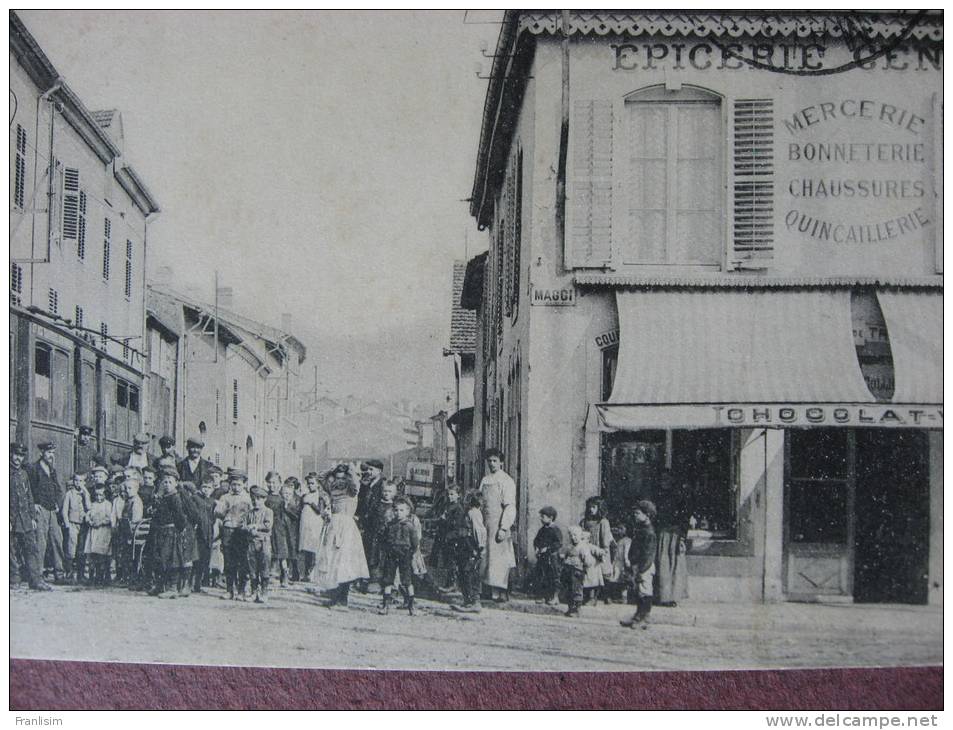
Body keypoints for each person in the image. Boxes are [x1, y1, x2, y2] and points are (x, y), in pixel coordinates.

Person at [313, 463, 369, 609]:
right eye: (337, 478)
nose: (339, 481)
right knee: (332, 562)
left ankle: (343, 600)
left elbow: (355, 482)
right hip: (333, 525)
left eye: (343, 478)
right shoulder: (332, 488)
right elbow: (320, 477)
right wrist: (334, 468)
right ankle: (336, 597)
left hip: (346, 528)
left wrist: (348, 470)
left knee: (345, 564)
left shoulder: (351, 490)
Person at [10, 443, 51, 591]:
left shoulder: (23, 474)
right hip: (11, 519)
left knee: (31, 549)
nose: (17, 458)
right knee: (11, 551)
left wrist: (33, 518)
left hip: (25, 519)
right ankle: (14, 579)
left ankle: (36, 580)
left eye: (20, 456)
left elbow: (29, 497)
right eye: (15, 454)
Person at [479, 448, 517, 602]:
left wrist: (503, 527)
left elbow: (509, 506)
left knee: (499, 559)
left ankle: (500, 591)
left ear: (501, 462)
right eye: (489, 461)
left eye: (495, 461)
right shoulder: (485, 480)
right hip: (485, 523)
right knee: (485, 557)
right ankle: (487, 590)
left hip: (498, 524)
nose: (492, 464)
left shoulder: (506, 480)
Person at [27, 441, 66, 583]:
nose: (51, 456)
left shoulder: (52, 470)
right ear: (41, 453)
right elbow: (29, 489)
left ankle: (59, 574)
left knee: (57, 540)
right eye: (49, 453)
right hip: (41, 509)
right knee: (40, 543)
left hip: (52, 510)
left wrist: (58, 504)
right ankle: (38, 575)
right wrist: (34, 504)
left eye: (53, 453)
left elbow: (57, 488)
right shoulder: (33, 469)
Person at [150, 468, 189, 599]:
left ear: (176, 483)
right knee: (160, 559)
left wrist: (179, 529)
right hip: (161, 531)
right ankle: (161, 585)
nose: (166, 484)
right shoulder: (162, 497)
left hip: (171, 532)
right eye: (164, 482)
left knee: (172, 560)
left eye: (170, 482)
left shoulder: (175, 498)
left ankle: (173, 587)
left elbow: (180, 517)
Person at [214, 468, 252, 600]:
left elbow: (252, 515)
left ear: (244, 484)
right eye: (233, 484)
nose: (236, 487)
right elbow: (218, 513)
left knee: (242, 561)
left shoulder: (248, 499)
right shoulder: (225, 497)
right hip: (228, 531)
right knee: (229, 561)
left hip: (241, 532)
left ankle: (241, 591)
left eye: (239, 484)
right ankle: (229, 589)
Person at [378, 496, 419, 616]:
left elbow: (415, 543)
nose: (398, 513)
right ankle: (385, 605)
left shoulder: (410, 526)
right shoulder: (390, 525)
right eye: (396, 510)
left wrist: (410, 554)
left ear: (408, 511)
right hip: (391, 554)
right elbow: (384, 539)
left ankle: (411, 605)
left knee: (407, 580)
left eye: (402, 510)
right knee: (388, 579)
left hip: (405, 555)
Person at [621, 500, 658, 629]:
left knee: (645, 591)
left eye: (637, 513)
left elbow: (649, 555)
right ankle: (638, 615)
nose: (635, 516)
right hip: (637, 565)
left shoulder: (649, 533)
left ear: (647, 515)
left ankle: (645, 617)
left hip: (645, 567)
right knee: (638, 591)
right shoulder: (641, 529)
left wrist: (642, 569)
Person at [655, 471, 690, 607]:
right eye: (662, 479)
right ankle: (663, 596)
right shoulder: (658, 496)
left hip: (675, 534)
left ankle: (673, 596)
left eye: (667, 479)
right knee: (662, 564)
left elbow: (684, 517)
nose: (665, 482)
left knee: (675, 565)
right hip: (662, 534)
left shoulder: (679, 497)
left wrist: (682, 537)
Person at [448, 491, 487, 613]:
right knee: (464, 573)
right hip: (465, 546)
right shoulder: (469, 513)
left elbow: (479, 531)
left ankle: (474, 601)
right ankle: (468, 600)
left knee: (469, 573)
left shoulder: (473, 513)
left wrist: (479, 547)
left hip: (471, 547)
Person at [559, 526, 604, 617]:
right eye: (571, 535)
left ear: (580, 536)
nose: (573, 537)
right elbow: (565, 556)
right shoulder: (569, 547)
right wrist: (563, 559)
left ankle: (576, 609)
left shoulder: (583, 547)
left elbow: (588, 560)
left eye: (575, 535)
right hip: (568, 571)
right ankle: (570, 608)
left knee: (577, 590)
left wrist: (584, 566)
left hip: (577, 571)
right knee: (569, 590)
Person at [580, 496, 614, 605]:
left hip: (601, 550)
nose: (591, 509)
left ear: (600, 508)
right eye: (589, 507)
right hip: (589, 550)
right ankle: (592, 597)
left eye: (594, 507)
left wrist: (604, 550)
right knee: (591, 574)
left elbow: (605, 538)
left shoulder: (603, 522)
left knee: (605, 573)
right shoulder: (584, 521)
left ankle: (607, 595)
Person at [242, 486, 274, 603]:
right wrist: (248, 528)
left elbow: (268, 525)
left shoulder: (268, 511)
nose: (256, 501)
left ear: (264, 499)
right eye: (253, 499)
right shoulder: (249, 513)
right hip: (251, 543)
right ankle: (254, 591)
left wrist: (256, 526)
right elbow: (243, 525)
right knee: (252, 568)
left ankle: (264, 592)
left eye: (259, 499)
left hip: (264, 543)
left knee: (264, 567)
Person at [364, 480, 398, 588]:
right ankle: (373, 580)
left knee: (386, 558)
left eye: (389, 491)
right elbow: (370, 518)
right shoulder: (377, 505)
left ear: (394, 493)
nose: (386, 493)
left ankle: (386, 582)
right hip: (375, 536)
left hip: (388, 537)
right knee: (374, 557)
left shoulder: (395, 507)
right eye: (385, 491)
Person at [298, 472, 329, 581]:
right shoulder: (305, 495)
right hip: (305, 523)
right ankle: (306, 572)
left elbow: (319, 511)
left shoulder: (319, 496)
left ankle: (311, 573)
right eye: (308, 483)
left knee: (313, 547)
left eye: (312, 483)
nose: (310, 485)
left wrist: (311, 503)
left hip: (314, 523)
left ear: (317, 484)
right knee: (305, 548)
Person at [263, 471, 292, 588]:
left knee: (281, 552)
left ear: (279, 483)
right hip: (267, 527)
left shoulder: (281, 498)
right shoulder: (265, 497)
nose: (272, 485)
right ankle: (266, 574)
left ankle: (284, 575)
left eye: (274, 483)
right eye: (269, 483)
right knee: (267, 551)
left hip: (279, 528)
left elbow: (285, 514)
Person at [83, 483, 115, 586]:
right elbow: (88, 515)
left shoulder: (108, 504)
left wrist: (101, 522)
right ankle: (92, 577)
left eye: (101, 495)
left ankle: (103, 577)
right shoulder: (93, 504)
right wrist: (89, 521)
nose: (99, 497)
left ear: (105, 494)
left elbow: (110, 518)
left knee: (102, 555)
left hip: (103, 532)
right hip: (93, 532)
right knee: (93, 555)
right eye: (97, 495)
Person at [62, 472, 91, 583]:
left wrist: (86, 493)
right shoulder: (70, 494)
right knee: (71, 549)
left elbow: (88, 507)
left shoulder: (85, 494)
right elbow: (65, 510)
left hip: (83, 525)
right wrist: (67, 524)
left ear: (84, 482)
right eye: (76, 480)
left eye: (80, 481)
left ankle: (81, 574)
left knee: (81, 549)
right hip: (73, 524)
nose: (78, 483)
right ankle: (69, 574)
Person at [117, 471, 144, 588]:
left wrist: (129, 527)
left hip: (133, 533)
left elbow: (135, 519)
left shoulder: (136, 502)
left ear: (136, 489)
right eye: (126, 488)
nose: (128, 490)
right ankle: (125, 577)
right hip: (126, 532)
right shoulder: (128, 501)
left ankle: (132, 578)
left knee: (131, 556)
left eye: (130, 488)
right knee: (124, 555)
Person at [531, 506, 562, 605]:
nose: (541, 518)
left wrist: (548, 549)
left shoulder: (555, 529)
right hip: (542, 558)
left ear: (551, 518)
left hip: (552, 558)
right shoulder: (542, 529)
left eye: (543, 516)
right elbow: (536, 540)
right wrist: (536, 548)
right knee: (542, 576)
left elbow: (558, 543)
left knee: (553, 577)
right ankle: (544, 596)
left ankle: (555, 597)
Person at [282, 477, 303, 581]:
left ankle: (295, 572)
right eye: (287, 485)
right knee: (285, 548)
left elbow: (297, 515)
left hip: (293, 527)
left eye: (291, 486)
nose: (289, 488)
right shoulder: (283, 496)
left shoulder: (298, 499)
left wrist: (287, 509)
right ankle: (285, 572)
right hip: (284, 526)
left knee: (293, 549)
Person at [607, 525, 631, 603]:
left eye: (621, 529)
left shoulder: (627, 540)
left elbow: (626, 552)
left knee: (623, 580)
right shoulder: (619, 541)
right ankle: (617, 597)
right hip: (617, 562)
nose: (619, 531)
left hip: (622, 563)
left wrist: (626, 561)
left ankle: (624, 597)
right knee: (616, 579)